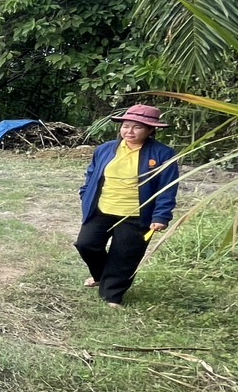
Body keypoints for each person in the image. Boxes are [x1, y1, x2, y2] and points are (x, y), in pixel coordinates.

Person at [76, 103, 179, 307]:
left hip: (137, 215)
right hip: (102, 209)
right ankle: (101, 276)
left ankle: (112, 295)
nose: (129, 131)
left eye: (137, 127)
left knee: (124, 255)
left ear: (151, 130)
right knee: (86, 245)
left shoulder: (163, 154)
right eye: (126, 126)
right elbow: (92, 174)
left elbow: (167, 187)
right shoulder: (105, 149)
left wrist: (161, 216)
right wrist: (85, 193)